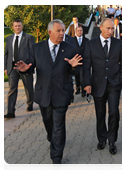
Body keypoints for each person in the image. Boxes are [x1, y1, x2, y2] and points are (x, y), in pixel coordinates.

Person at [14, 19, 82, 169]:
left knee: (59, 124)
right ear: (49, 32)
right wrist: (25, 69)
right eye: (58, 31)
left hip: (62, 93)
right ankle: (51, 137)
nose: (62, 33)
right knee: (48, 121)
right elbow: (30, 65)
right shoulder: (37, 48)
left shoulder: (70, 49)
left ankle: (56, 157)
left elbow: (76, 70)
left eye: (63, 30)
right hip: (43, 93)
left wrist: (73, 67)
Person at [83, 18, 122, 155]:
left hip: (114, 85)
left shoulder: (119, 44)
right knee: (100, 114)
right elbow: (86, 66)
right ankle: (102, 138)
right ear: (100, 27)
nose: (110, 31)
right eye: (108, 28)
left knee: (114, 112)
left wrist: (121, 80)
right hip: (98, 85)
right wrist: (87, 83)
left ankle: (112, 140)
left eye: (112, 28)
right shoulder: (91, 44)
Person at [4, 19, 35, 118]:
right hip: (12, 67)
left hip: (24, 67)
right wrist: (5, 67)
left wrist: (29, 65)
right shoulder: (9, 38)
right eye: (16, 26)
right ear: (12, 27)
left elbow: (32, 53)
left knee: (28, 87)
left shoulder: (29, 38)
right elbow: (6, 54)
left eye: (19, 26)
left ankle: (30, 104)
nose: (17, 27)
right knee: (12, 89)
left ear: (22, 26)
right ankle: (10, 111)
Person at [74, 26, 89, 97]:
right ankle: (77, 88)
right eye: (78, 30)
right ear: (76, 32)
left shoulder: (86, 40)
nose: (80, 32)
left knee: (83, 76)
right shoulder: (72, 40)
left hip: (84, 61)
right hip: (75, 61)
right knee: (77, 75)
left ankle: (83, 91)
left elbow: (88, 51)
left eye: (81, 30)